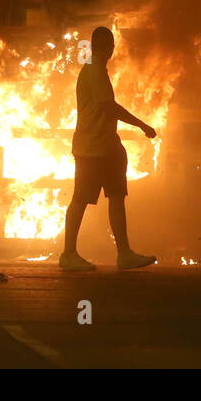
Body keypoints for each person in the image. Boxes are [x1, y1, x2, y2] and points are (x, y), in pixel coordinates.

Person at [60, 26, 158, 271]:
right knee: (81, 199)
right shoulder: (94, 70)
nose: (111, 52)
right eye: (110, 46)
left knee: (116, 197)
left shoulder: (96, 70)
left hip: (106, 147)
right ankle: (68, 254)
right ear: (106, 48)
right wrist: (142, 124)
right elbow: (109, 107)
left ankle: (124, 254)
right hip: (91, 149)